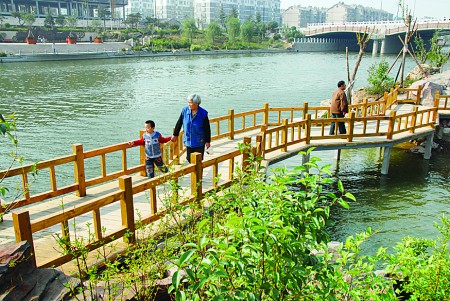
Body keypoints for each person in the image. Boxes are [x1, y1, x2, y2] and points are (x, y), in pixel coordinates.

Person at [171, 94, 211, 163]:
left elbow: (207, 128)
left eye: (190, 103)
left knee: (198, 161)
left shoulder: (203, 113)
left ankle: (198, 173)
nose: (189, 104)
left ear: (196, 104)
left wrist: (208, 141)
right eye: (188, 102)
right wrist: (175, 134)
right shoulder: (185, 111)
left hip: (199, 141)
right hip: (189, 141)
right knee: (189, 159)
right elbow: (179, 122)